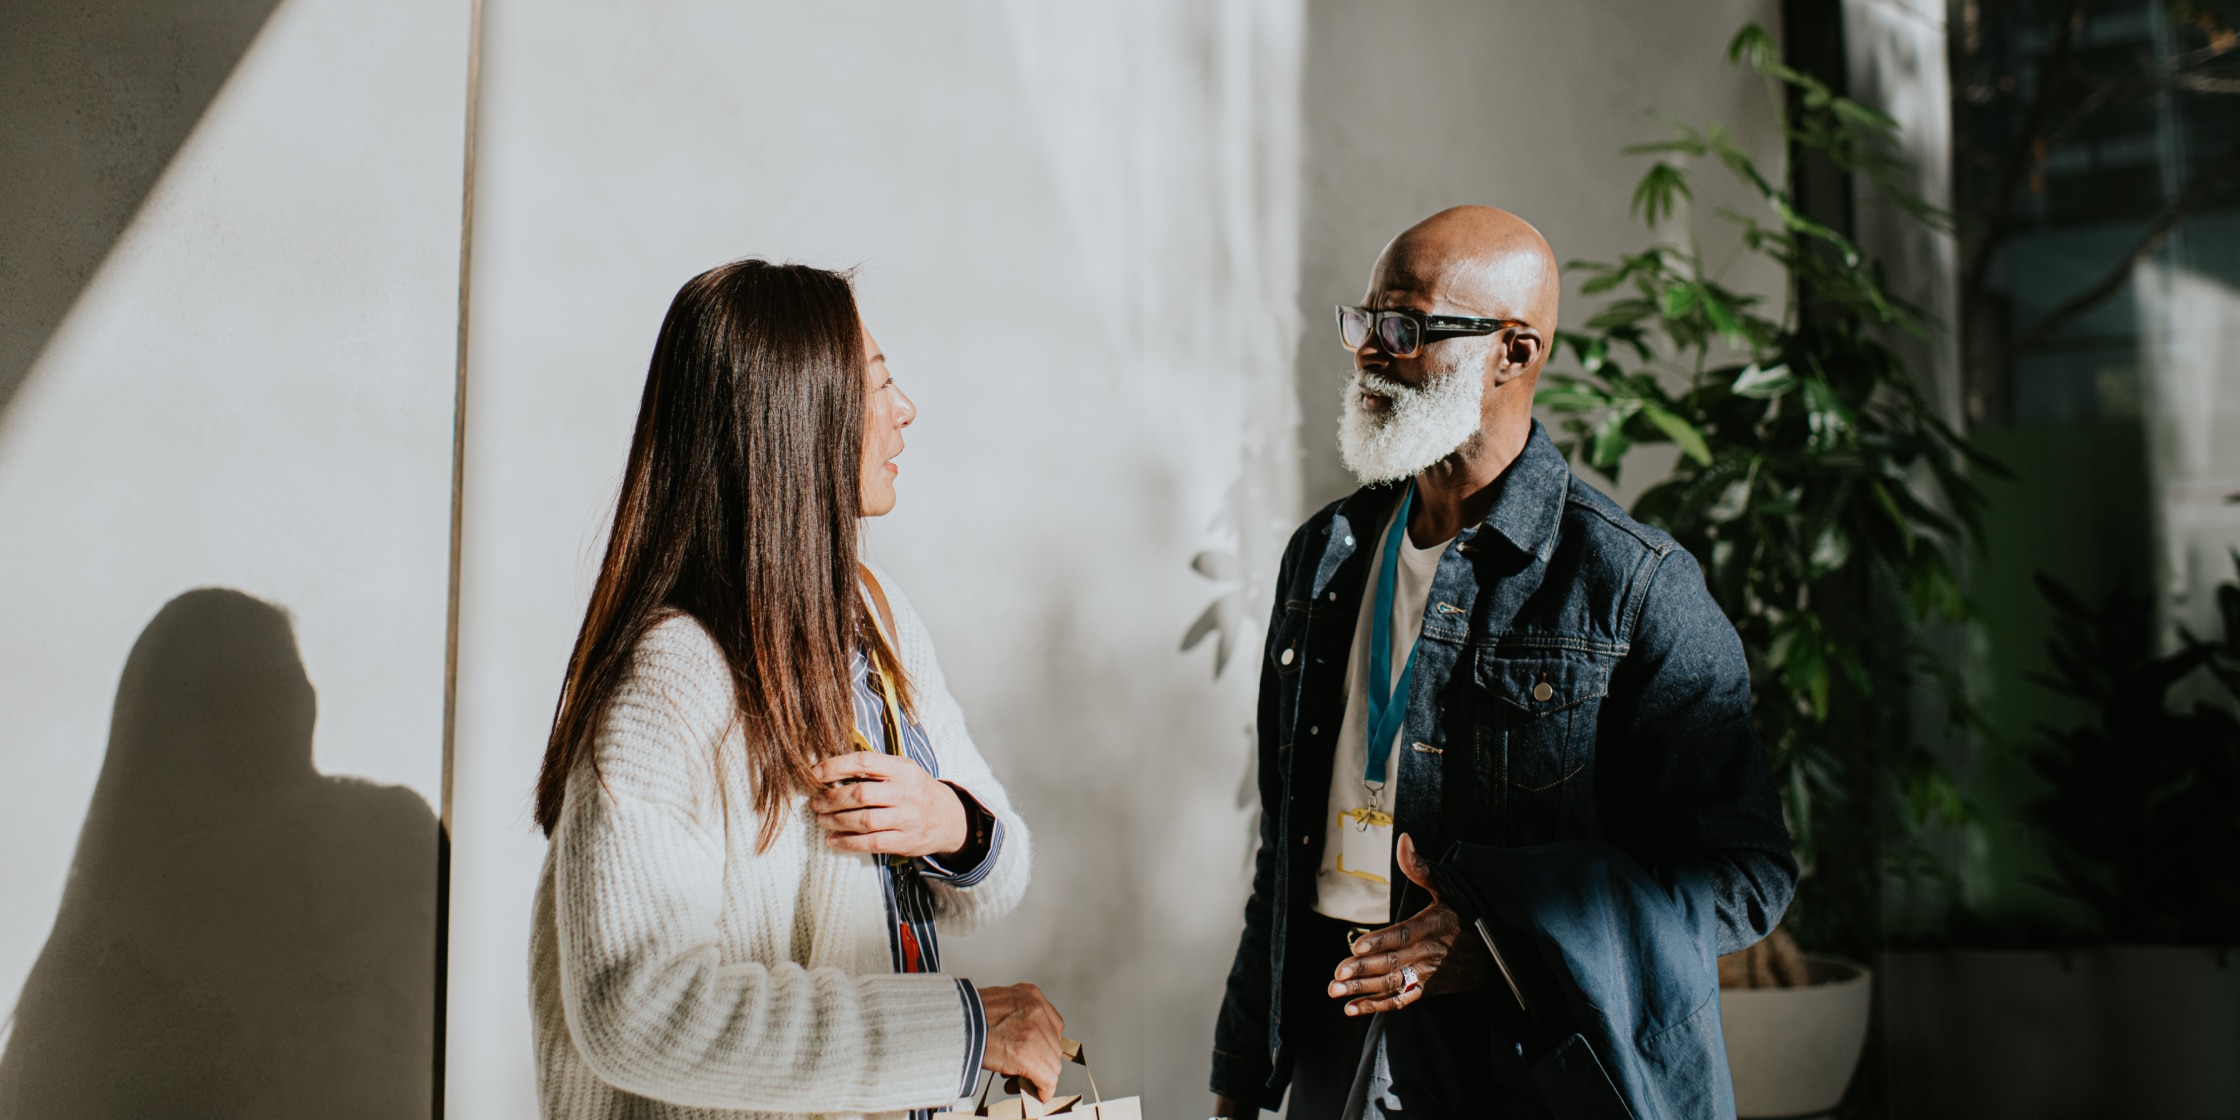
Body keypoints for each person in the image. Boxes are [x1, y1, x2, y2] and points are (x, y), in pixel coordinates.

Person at [1209, 207, 1797, 1119]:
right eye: (1364, 322)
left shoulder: (1632, 586)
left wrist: (1507, 936)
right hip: (1331, 1042)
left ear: (1513, 354)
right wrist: (1241, 1085)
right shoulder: (1324, 557)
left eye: (1405, 327)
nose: (1371, 353)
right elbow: (1283, 852)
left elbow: (1745, 874)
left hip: (1525, 1067)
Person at [529, 260, 1065, 1120]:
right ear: (799, 419)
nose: (906, 410)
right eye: (880, 383)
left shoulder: (877, 618)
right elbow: (634, 1007)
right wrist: (961, 1032)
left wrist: (947, 821)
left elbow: (1001, 874)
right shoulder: (671, 679)